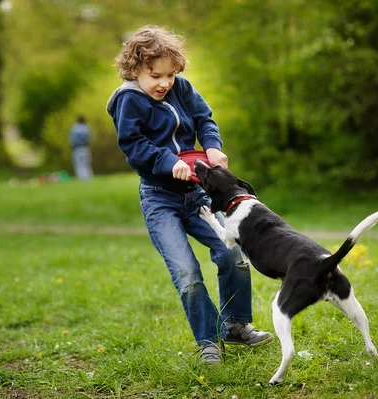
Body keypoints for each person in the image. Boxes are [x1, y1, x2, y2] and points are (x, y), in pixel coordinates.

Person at [106, 25, 273, 364]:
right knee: (187, 273)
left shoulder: (180, 88)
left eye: (169, 75)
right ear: (134, 68)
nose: (164, 83)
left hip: (198, 197)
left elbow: (204, 119)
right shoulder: (128, 100)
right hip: (159, 199)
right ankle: (208, 340)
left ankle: (236, 326)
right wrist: (168, 162)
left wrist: (211, 147)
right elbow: (133, 145)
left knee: (233, 253)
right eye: (155, 75)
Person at [69, 115, 93, 181]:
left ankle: (82, 179)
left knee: (79, 165)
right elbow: (90, 139)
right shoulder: (87, 127)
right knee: (87, 164)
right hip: (85, 148)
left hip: (77, 148)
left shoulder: (74, 128)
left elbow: (71, 140)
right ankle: (88, 179)